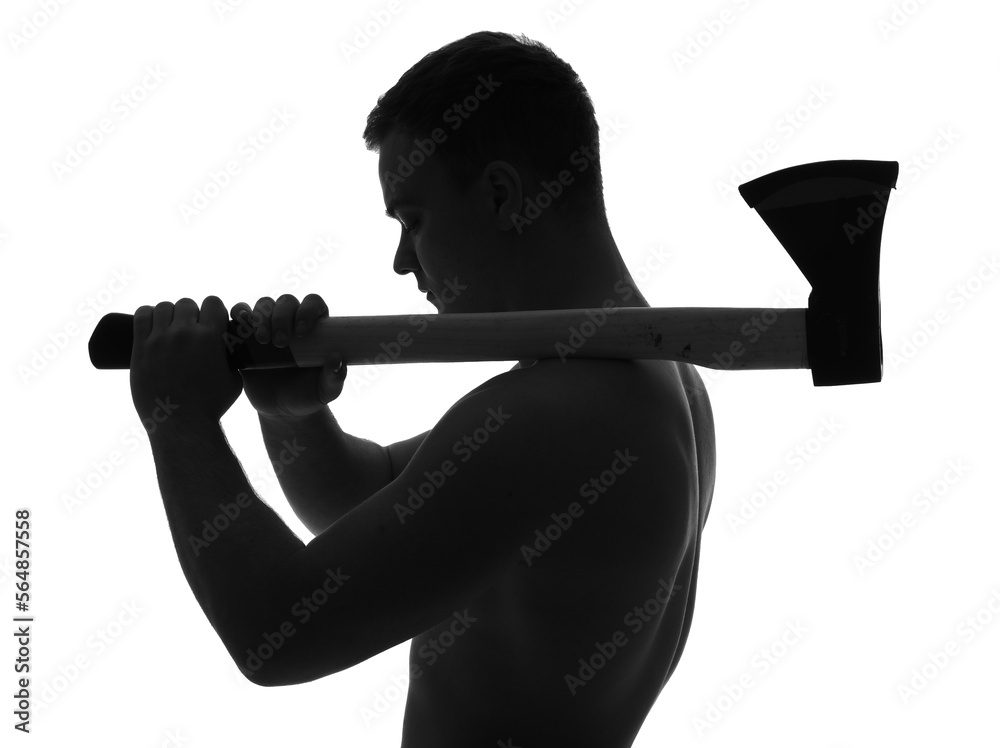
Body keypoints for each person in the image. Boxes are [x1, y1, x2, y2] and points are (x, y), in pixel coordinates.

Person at [129, 31, 715, 747]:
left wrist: (178, 418)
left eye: (413, 218)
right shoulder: (657, 381)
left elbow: (275, 632)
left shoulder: (556, 418)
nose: (404, 260)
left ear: (502, 195)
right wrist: (294, 416)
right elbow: (364, 494)